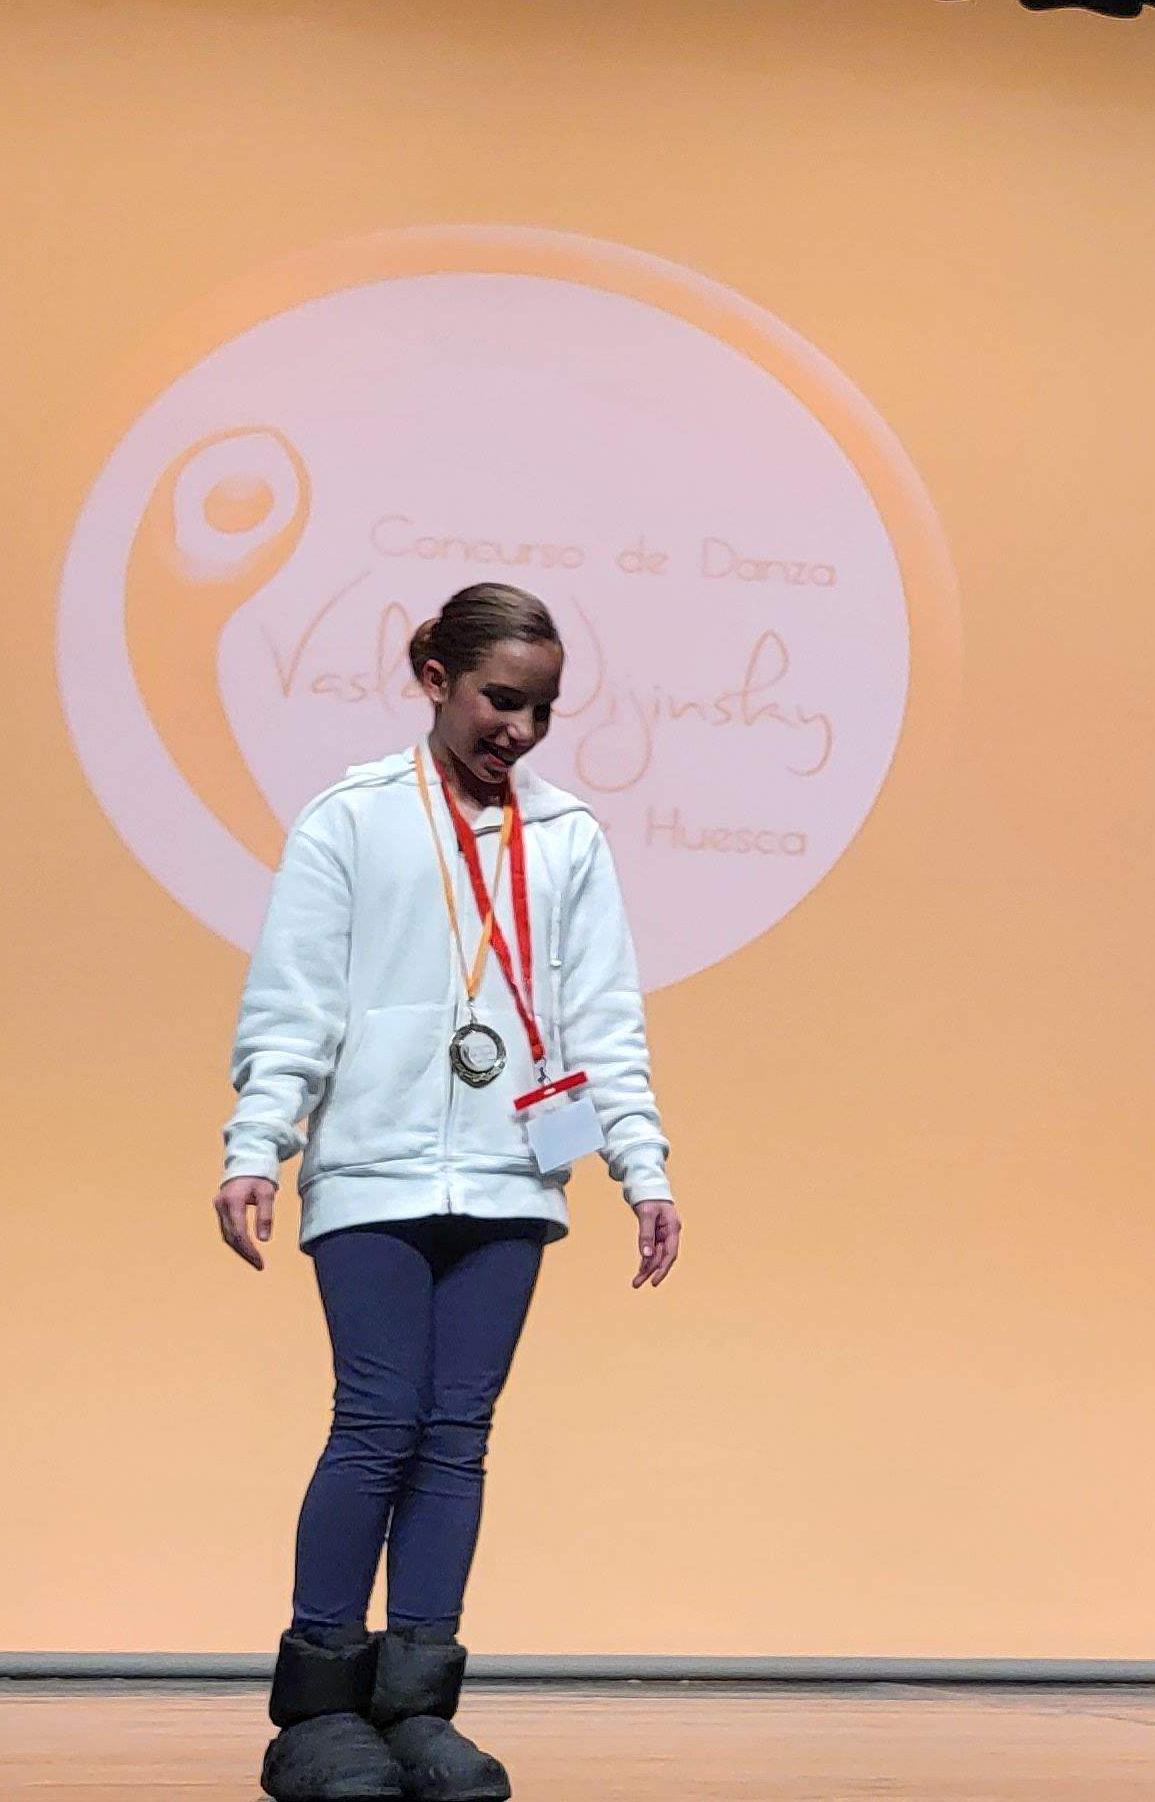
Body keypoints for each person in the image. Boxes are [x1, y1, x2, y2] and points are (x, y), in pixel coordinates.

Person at [213, 582, 683, 1802]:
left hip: (512, 1177)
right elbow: (295, 999)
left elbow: (602, 1021)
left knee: (457, 1439)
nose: (517, 731)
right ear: (434, 676)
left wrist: (643, 1166)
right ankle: (319, 1713)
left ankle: (415, 1706)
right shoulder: (352, 820)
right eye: (498, 700)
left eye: (539, 709)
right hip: (369, 1171)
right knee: (376, 1423)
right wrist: (257, 1143)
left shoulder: (569, 836)